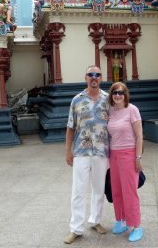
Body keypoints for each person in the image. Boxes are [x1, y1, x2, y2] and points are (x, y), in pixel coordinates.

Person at [64, 65, 110, 244]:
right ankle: (76, 228)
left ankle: (95, 220)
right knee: (78, 190)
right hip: (81, 151)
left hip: (101, 152)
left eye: (97, 75)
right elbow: (70, 127)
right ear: (86, 78)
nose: (94, 77)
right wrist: (68, 151)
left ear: (101, 78)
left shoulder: (108, 99)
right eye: (91, 74)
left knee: (99, 189)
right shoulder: (77, 100)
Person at [107, 82, 143, 242]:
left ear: (125, 94)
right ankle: (120, 220)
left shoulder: (132, 110)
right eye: (115, 92)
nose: (118, 95)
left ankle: (136, 225)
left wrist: (138, 157)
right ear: (111, 95)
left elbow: (139, 136)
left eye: (121, 92)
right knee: (116, 190)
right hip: (113, 155)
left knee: (129, 191)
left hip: (128, 154)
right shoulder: (111, 111)